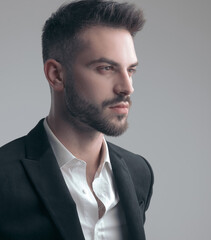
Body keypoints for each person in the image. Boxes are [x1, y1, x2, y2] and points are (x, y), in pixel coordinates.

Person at [0, 0, 153, 239]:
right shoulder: (4, 177)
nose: (127, 87)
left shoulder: (139, 172)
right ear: (56, 75)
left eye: (130, 70)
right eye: (106, 68)